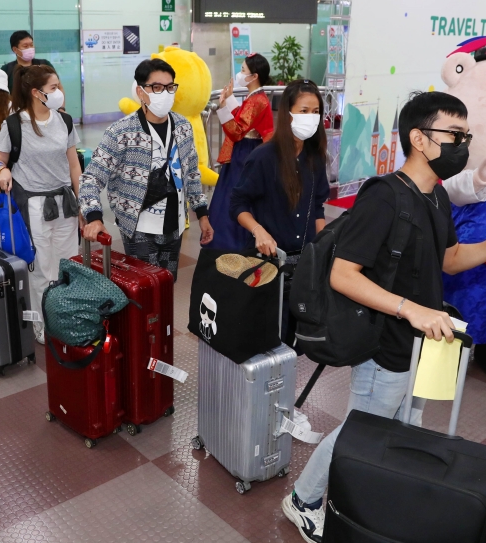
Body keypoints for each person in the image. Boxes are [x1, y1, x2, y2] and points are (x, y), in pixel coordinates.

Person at [281, 91, 486, 543]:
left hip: (420, 344)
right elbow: (344, 275)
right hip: (384, 344)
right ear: (419, 138)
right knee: (359, 431)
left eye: (467, 135)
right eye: (454, 134)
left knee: (405, 426)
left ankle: (374, 496)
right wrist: (411, 309)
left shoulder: (437, 197)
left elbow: (451, 259)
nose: (463, 144)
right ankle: (302, 499)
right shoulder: (382, 198)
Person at [79, 58, 214, 281]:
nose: (165, 93)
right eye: (157, 87)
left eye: (170, 87)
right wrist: (93, 216)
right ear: (141, 92)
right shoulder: (121, 132)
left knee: (168, 284)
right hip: (138, 225)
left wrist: (202, 213)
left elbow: (191, 173)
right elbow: (91, 178)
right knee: (146, 289)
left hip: (176, 223)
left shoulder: (182, 127)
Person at [229, 79, 328, 346]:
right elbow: (237, 203)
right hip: (268, 262)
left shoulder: (315, 157)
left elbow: (317, 205)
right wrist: (258, 230)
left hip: (303, 263)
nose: (311, 117)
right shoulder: (264, 157)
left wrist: (321, 249)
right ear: (288, 113)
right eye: (304, 110)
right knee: (266, 337)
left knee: (294, 340)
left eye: (316, 111)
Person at [0, 65, 81, 345]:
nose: (59, 92)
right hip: (32, 204)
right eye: (54, 88)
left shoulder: (64, 121)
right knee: (41, 268)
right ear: (36, 92)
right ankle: (42, 323)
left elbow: (73, 164)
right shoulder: (14, 124)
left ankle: (65, 315)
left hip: (64, 202)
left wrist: (84, 206)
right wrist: (1, 171)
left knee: (66, 264)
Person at [206, 53, 274, 250]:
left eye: (243, 70)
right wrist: (228, 101)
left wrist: (222, 107)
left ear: (254, 77)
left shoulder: (256, 100)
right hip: (246, 149)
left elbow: (237, 131)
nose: (239, 73)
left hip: (245, 151)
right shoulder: (256, 98)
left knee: (234, 194)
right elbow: (243, 119)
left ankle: (230, 240)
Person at [1, 31, 66, 112]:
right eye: (25, 46)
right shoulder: (7, 69)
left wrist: (61, 108)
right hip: (18, 114)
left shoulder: (44, 65)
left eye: (31, 45)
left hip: (46, 112)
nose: (30, 48)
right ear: (15, 49)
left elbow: (59, 87)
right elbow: (2, 96)